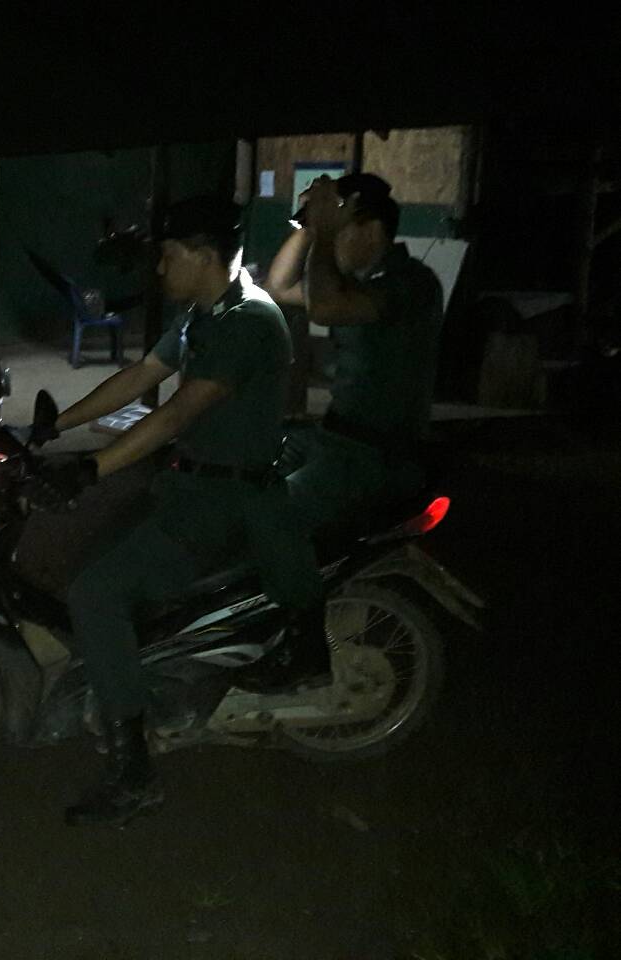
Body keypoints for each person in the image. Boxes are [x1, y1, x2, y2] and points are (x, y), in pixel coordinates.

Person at [41, 195, 323, 827]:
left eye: (168, 255)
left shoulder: (249, 321)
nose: (160, 268)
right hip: (189, 489)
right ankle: (145, 683)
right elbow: (143, 375)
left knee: (95, 594)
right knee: (99, 556)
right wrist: (51, 428)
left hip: (226, 504)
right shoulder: (204, 313)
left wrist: (88, 470)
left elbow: (175, 415)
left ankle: (134, 774)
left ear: (202, 255)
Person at [261, 173, 445, 532]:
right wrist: (311, 225)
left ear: (372, 231)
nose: (334, 242)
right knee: (244, 468)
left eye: (342, 231)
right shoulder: (355, 284)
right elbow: (279, 287)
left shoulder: (411, 281)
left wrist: (324, 233)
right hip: (333, 436)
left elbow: (324, 308)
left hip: (375, 454)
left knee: (273, 518)